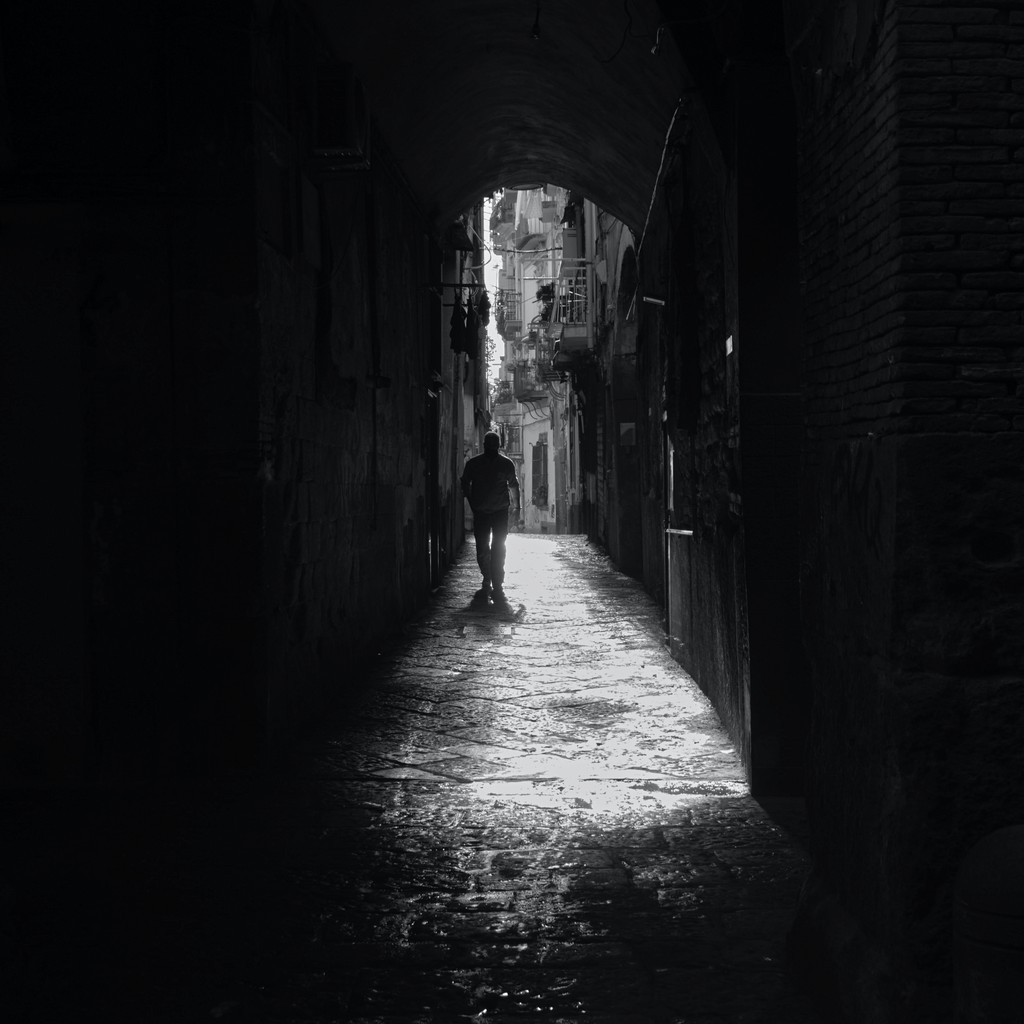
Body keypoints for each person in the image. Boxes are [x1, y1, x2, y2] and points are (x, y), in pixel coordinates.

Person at [460, 430, 521, 598]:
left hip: (497, 511)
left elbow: (513, 485)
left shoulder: (503, 464)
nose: (493, 448)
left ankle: (496, 580)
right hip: (483, 511)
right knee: (484, 546)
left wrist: (517, 508)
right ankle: (489, 577)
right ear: (487, 445)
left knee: (496, 546)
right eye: (491, 445)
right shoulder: (475, 464)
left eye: (494, 446)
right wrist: (517, 507)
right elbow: (465, 483)